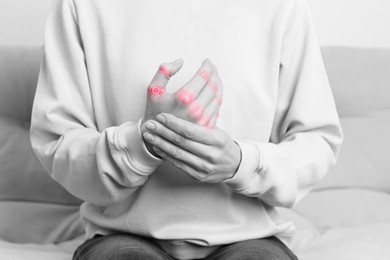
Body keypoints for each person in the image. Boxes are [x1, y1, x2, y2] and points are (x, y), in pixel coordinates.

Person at [30, 0, 343, 259]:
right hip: (121, 237)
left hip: (249, 239)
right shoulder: (79, 6)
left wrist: (241, 163)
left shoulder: (282, 7)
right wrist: (145, 142)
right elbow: (57, 141)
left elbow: (318, 140)